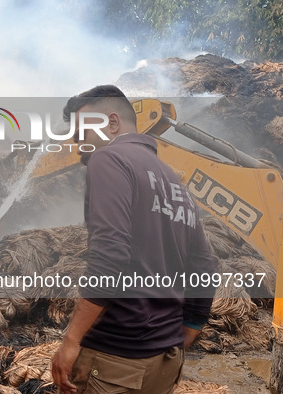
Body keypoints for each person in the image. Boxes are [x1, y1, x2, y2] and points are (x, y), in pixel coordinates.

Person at [51, 85, 217, 394]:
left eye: (82, 133)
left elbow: (110, 255)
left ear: (112, 124)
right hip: (165, 362)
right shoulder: (172, 178)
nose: (76, 145)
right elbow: (205, 263)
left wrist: (71, 340)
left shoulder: (109, 159)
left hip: (116, 360)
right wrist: (191, 325)